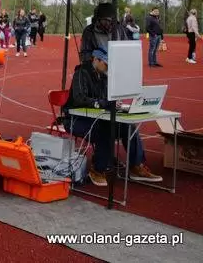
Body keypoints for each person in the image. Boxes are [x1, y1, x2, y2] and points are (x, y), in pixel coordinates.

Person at [62, 49, 163, 187]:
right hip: (76, 119)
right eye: (106, 64)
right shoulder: (81, 73)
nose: (108, 67)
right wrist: (103, 103)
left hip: (100, 118)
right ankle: (97, 169)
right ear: (95, 59)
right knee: (105, 130)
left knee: (128, 127)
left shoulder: (105, 76)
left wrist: (115, 101)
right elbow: (80, 99)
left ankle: (136, 165)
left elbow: (109, 98)